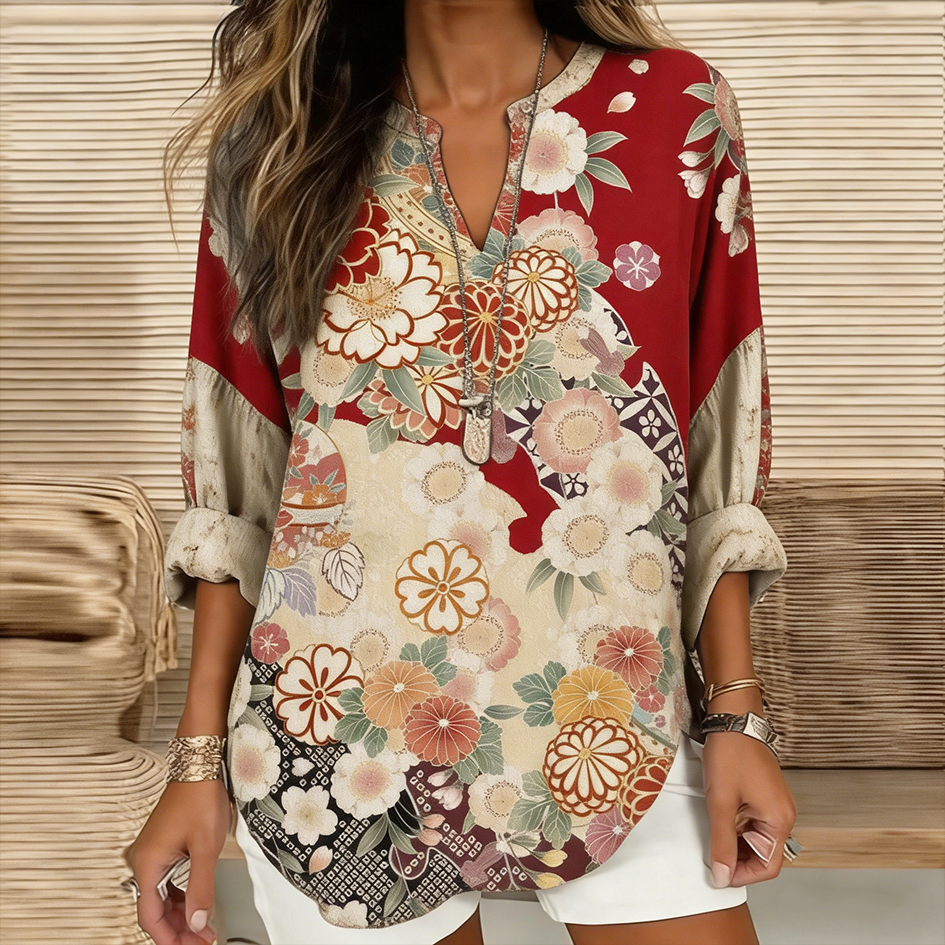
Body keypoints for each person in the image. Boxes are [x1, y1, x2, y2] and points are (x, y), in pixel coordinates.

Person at [125, 1, 799, 943]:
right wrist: (195, 762)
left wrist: (735, 713)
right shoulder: (277, 140)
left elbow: (711, 434)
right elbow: (242, 482)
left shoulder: (675, 111)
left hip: (622, 716)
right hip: (332, 743)